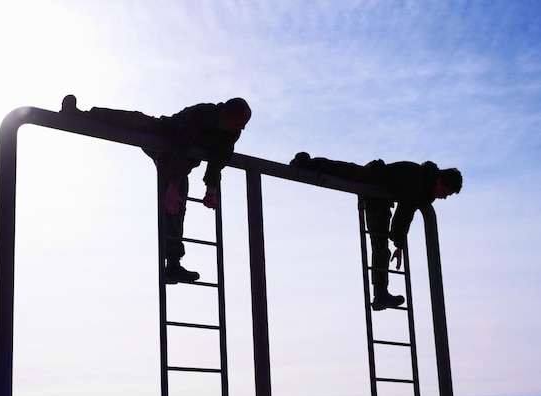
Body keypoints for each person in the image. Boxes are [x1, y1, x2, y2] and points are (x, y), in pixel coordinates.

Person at [60, 95, 252, 284]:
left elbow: (219, 160)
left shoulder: (232, 131)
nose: (242, 128)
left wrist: (211, 191)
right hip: (165, 138)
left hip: (181, 163)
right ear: (228, 116)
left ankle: (173, 265)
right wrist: (172, 186)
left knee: (176, 208)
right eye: (240, 123)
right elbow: (181, 146)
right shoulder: (202, 114)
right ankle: (78, 115)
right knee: (133, 120)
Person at [289, 152, 462, 311]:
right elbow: (404, 212)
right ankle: (307, 163)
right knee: (345, 171)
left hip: (382, 196)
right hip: (375, 179)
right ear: (439, 181)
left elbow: (405, 213)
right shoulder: (420, 181)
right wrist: (399, 242)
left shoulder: (425, 188)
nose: (444, 197)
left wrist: (399, 243)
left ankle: (381, 293)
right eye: (446, 192)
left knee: (380, 247)